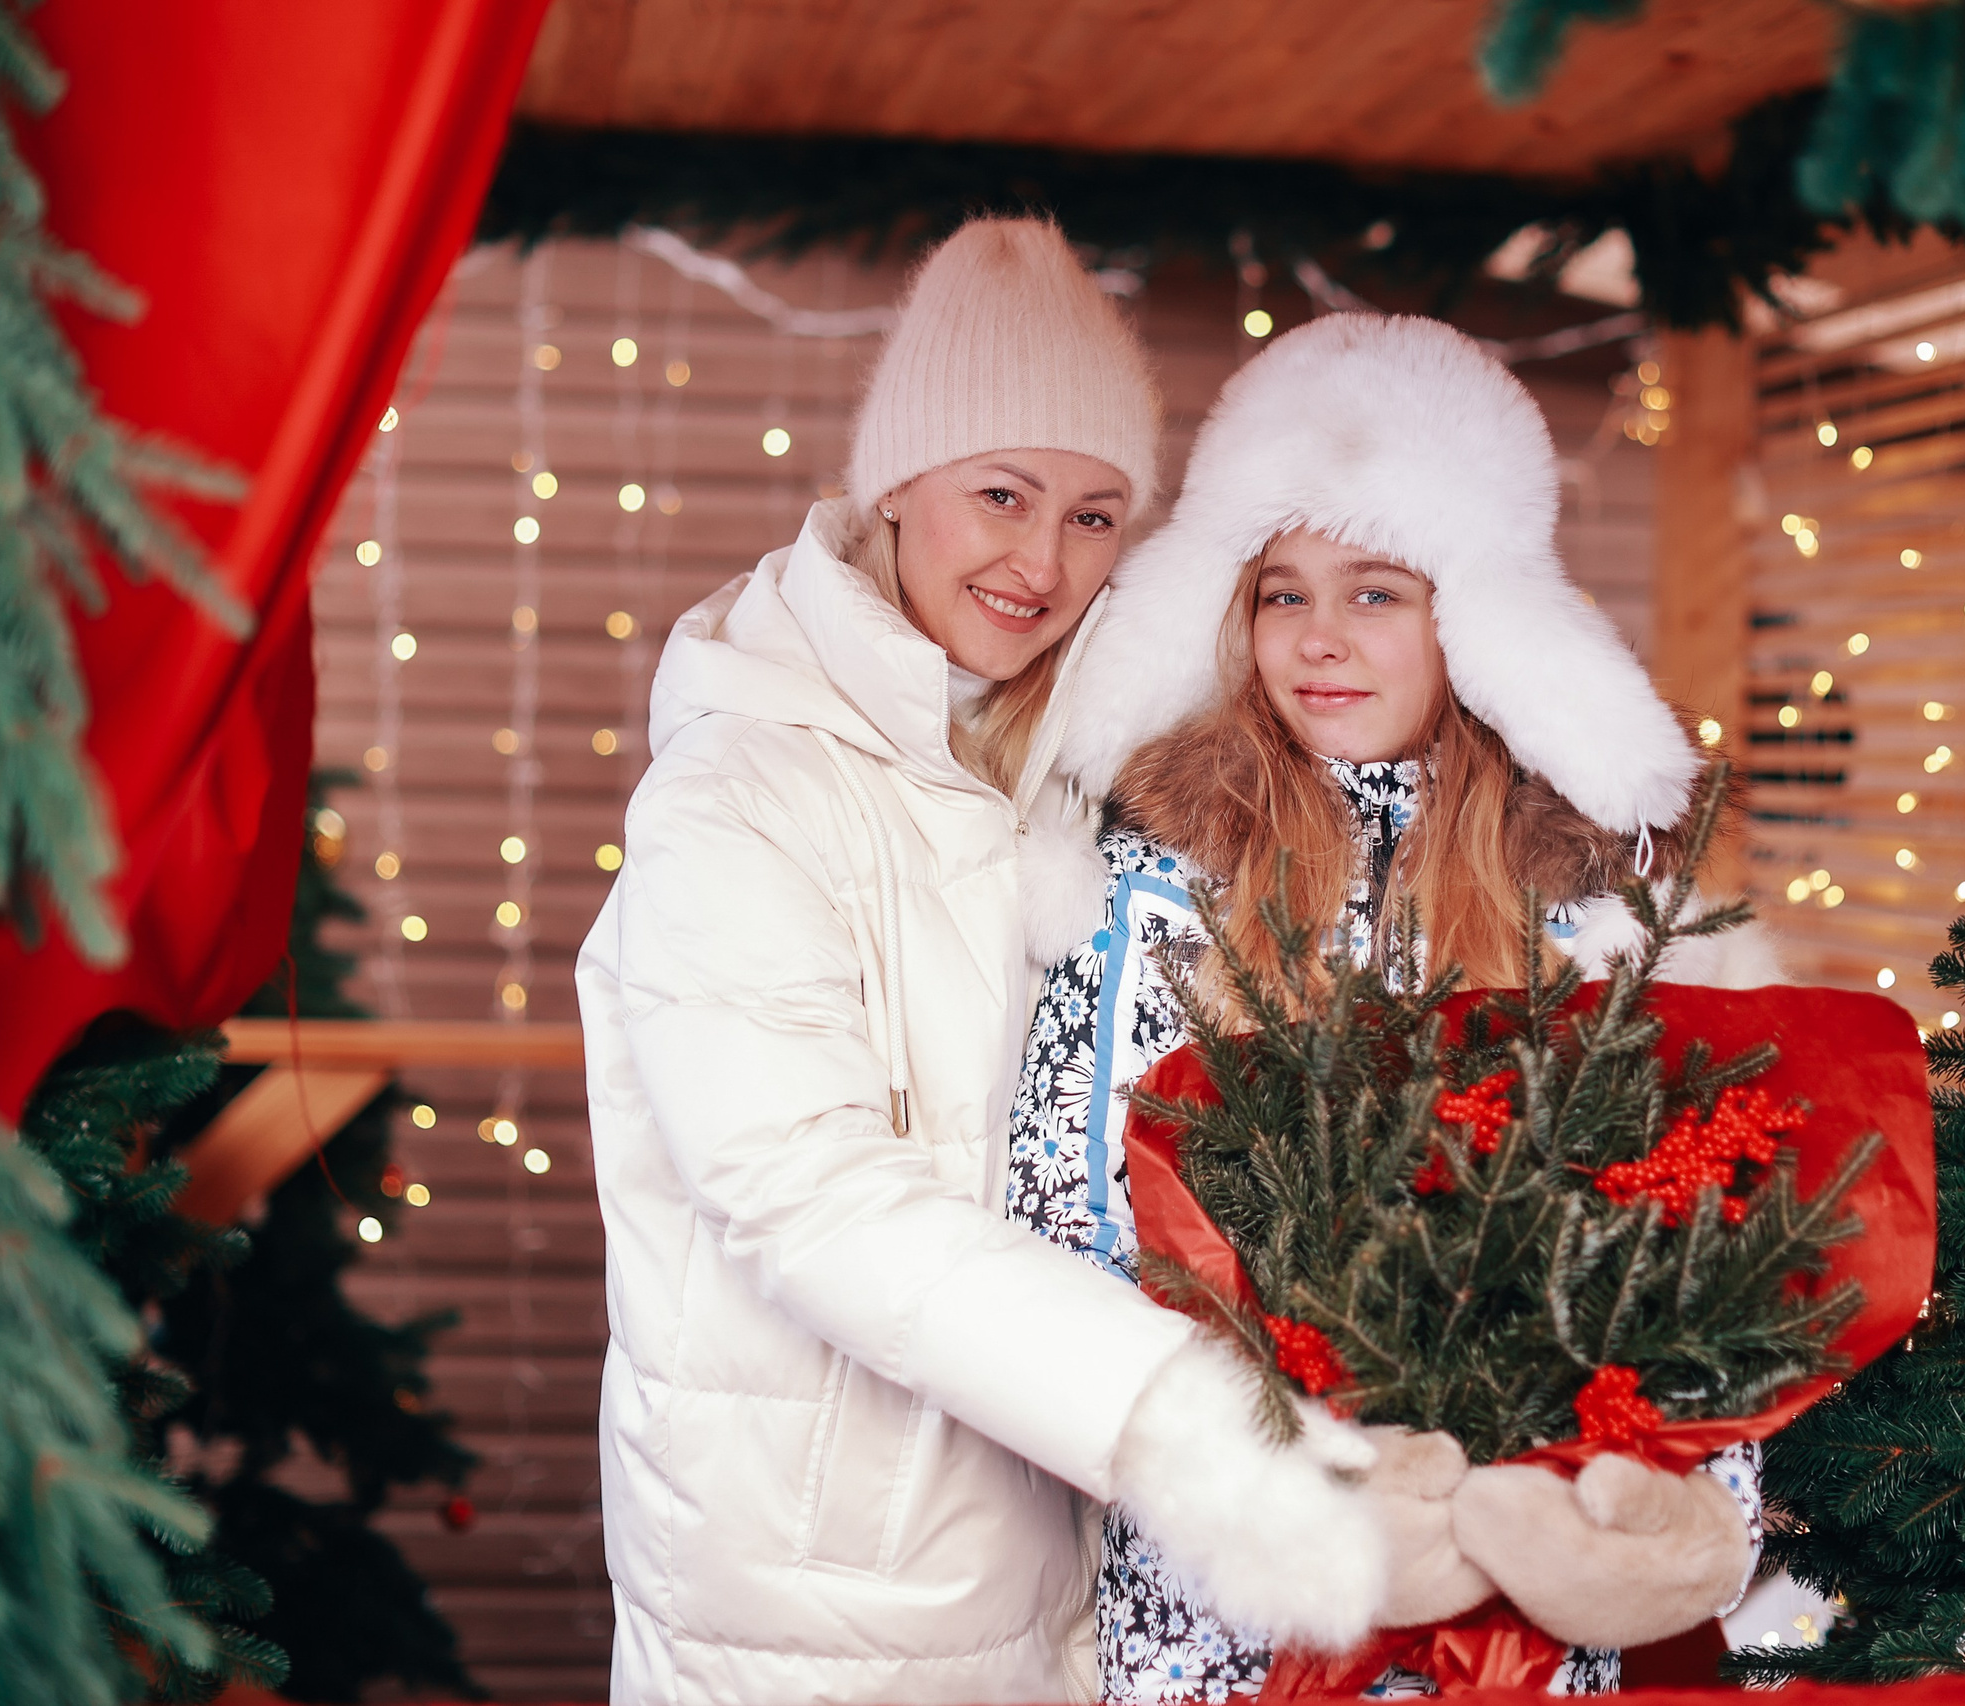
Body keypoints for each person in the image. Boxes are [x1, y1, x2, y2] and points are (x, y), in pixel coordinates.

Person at [578, 221, 1400, 1706]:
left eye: (1095, 515)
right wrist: (1170, 1411)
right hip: (809, 1593)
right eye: (1002, 494)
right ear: (899, 481)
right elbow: (800, 1186)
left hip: (1044, 1563)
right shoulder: (737, 793)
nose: (1042, 560)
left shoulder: (1081, 766)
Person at [1009, 313, 1779, 1701]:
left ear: (1471, 615)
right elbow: (1065, 1224)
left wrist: (1657, 1510)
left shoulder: (1590, 908)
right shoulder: (1150, 883)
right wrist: (1278, 1478)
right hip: (1227, 1597)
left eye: (1376, 591)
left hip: (1513, 1595)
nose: (1319, 641)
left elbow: (1687, 1238)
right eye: (1282, 591)